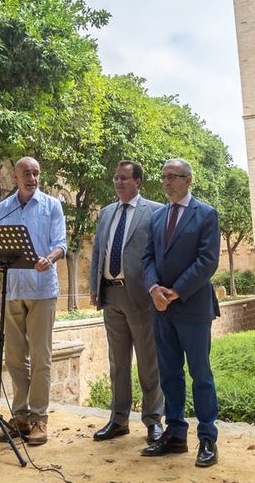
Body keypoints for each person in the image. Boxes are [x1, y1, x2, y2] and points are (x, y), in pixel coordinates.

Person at [140, 157, 221, 468]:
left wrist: (176, 291)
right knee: (169, 375)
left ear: (188, 180)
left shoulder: (206, 214)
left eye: (173, 176)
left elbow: (207, 260)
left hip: (193, 308)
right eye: (164, 177)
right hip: (161, 309)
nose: (167, 182)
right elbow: (148, 258)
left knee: (201, 375)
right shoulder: (158, 217)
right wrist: (153, 289)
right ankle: (175, 435)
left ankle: (208, 439)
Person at [88, 161, 165, 444]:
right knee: (117, 363)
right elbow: (99, 250)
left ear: (138, 182)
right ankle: (118, 420)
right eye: (115, 177)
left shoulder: (155, 211)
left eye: (124, 178)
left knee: (148, 362)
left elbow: (158, 255)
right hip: (111, 295)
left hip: (141, 297)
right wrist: (94, 286)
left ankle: (153, 420)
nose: (118, 182)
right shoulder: (106, 212)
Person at [0, 156, 67, 446]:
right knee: (14, 358)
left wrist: (48, 259)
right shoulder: (2, 208)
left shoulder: (52, 205)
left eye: (36, 173)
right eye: (27, 173)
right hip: (13, 290)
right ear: (15, 177)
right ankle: (21, 416)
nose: (32, 177)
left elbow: (60, 244)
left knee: (40, 357)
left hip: (42, 290)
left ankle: (39, 419)